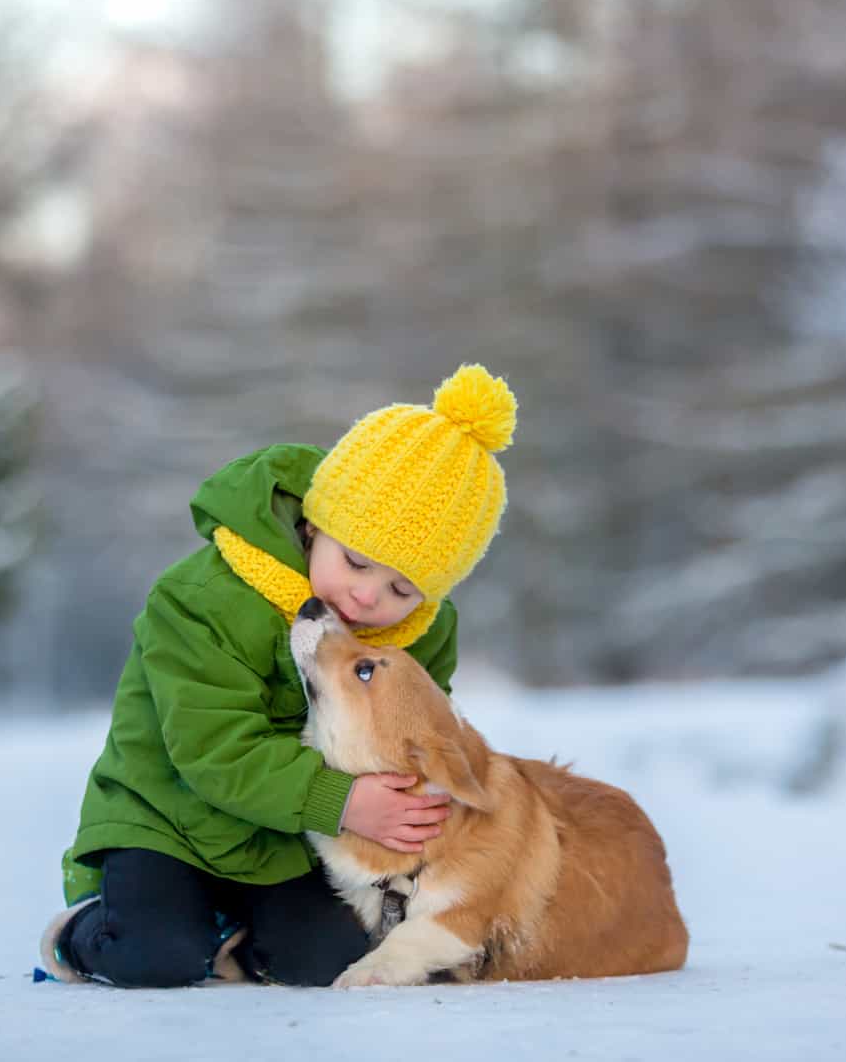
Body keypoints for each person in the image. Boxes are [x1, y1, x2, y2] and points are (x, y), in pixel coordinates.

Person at [38, 363, 518, 988]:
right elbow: (211, 749)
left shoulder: (420, 633)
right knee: (155, 956)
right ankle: (83, 932)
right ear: (317, 524)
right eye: (356, 561)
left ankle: (239, 936)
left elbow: (406, 731)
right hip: (168, 818)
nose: (369, 598)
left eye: (401, 588)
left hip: (291, 837)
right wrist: (341, 800)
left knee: (327, 960)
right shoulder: (203, 598)